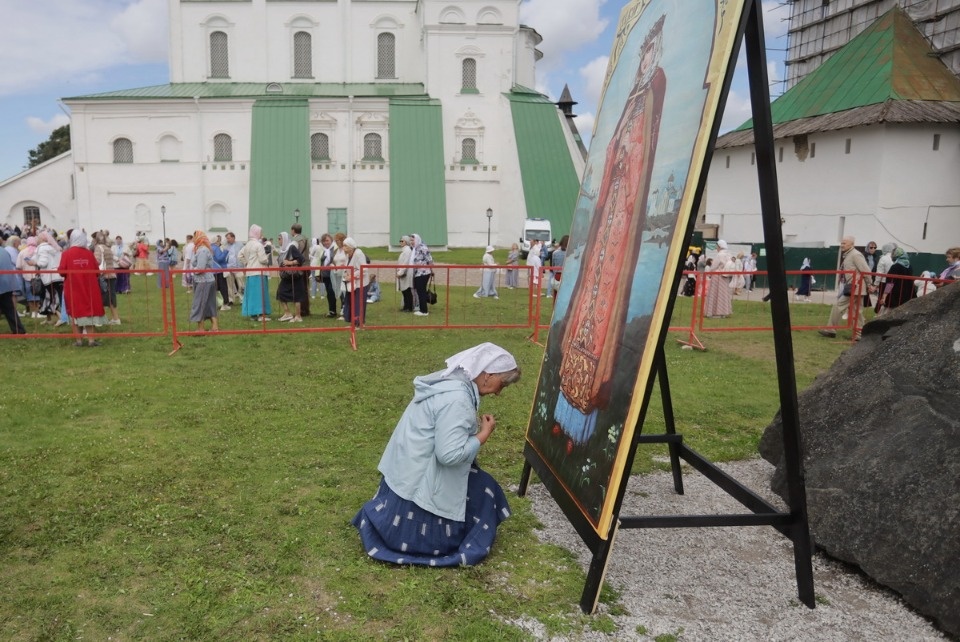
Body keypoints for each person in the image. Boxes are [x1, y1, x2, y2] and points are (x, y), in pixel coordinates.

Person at [352, 342, 521, 567]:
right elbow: (449, 456)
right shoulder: (457, 399)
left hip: (405, 471)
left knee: (481, 483)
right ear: (488, 375)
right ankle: (423, 537)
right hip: (418, 481)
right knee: (486, 491)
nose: (500, 392)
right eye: (503, 384)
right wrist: (483, 434)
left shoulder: (447, 382)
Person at [819, 235, 875, 340]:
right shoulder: (850, 254)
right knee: (856, 312)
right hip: (855, 288)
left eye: (844, 243)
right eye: (841, 243)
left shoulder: (855, 255)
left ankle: (831, 329)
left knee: (838, 306)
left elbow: (866, 270)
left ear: (852, 244)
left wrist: (869, 284)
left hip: (855, 287)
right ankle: (859, 334)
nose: (842, 245)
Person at [59, 230, 106, 346]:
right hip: (89, 287)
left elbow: (61, 271)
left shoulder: (66, 254)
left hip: (73, 287)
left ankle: (78, 340)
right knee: (89, 313)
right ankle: (91, 340)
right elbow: (97, 270)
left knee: (75, 313)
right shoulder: (89, 253)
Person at [28, 230, 64, 325]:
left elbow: (43, 263)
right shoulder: (52, 247)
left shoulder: (42, 248)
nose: (36, 239)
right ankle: (59, 317)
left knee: (51, 298)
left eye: (38, 238)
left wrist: (33, 263)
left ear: (42, 239)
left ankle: (61, 317)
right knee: (57, 297)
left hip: (48, 277)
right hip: (57, 275)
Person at [238, 224, 272, 322]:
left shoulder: (248, 244)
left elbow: (239, 255)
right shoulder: (258, 245)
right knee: (260, 294)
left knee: (252, 294)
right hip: (259, 272)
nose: (261, 234)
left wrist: (247, 262)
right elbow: (263, 260)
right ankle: (262, 314)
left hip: (250, 272)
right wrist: (267, 255)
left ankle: (253, 314)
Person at [188, 230, 219, 332]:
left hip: (203, 281)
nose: (193, 239)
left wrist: (193, 270)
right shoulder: (202, 249)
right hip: (207, 280)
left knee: (200, 303)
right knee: (209, 304)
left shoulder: (202, 251)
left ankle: (200, 328)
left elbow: (201, 268)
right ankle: (214, 327)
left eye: (194, 237)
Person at [276, 231, 306, 323]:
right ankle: (287, 313)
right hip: (286, 276)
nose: (278, 240)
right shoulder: (282, 250)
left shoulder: (291, 248)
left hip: (294, 275)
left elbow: (301, 259)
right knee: (280, 293)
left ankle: (298, 316)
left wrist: (290, 263)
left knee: (297, 296)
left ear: (284, 239)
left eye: (280, 238)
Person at [92, 231, 121, 325]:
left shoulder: (98, 248)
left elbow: (98, 261)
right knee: (111, 297)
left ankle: (99, 320)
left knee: (100, 298)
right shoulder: (107, 248)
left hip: (103, 276)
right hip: (111, 274)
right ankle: (116, 318)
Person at [341, 237, 370, 326]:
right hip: (352, 283)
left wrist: (352, 276)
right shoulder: (347, 255)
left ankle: (360, 323)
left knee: (359, 303)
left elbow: (364, 269)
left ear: (350, 246)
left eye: (345, 245)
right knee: (352, 302)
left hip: (361, 283)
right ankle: (353, 322)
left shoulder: (358, 253)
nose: (343, 247)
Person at [703, 240, 734, 318]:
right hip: (725, 276)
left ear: (720, 246)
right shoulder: (728, 255)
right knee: (723, 294)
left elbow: (714, 266)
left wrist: (709, 272)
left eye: (717, 246)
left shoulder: (719, 255)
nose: (716, 248)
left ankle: (713, 312)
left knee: (715, 294)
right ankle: (723, 312)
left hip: (717, 276)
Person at [878, 246, 915, 311]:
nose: (891, 256)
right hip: (907, 297)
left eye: (892, 254)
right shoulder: (909, 266)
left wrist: (884, 296)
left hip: (896, 297)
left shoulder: (895, 266)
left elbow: (890, 282)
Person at [0, 249, 26, 334]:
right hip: (7, 283)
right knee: (9, 309)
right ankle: (19, 330)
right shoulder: (3, 250)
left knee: (9, 308)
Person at [411, 233, 434, 317]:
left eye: (412, 240)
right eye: (410, 240)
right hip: (417, 273)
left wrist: (431, 269)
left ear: (417, 240)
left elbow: (429, 259)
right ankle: (422, 309)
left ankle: (424, 311)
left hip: (423, 273)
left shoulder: (422, 247)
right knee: (420, 291)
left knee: (421, 291)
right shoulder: (415, 249)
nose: (411, 242)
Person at [317, 233, 338, 318]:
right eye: (324, 241)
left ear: (331, 240)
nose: (326, 243)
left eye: (327, 240)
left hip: (334, 274)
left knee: (333, 291)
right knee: (329, 293)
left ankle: (339, 310)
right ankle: (331, 310)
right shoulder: (322, 250)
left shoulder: (335, 249)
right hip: (325, 274)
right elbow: (319, 262)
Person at [223, 232, 245, 304]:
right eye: (227, 238)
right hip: (229, 268)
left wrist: (243, 265)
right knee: (230, 285)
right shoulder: (226, 246)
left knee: (241, 284)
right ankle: (231, 299)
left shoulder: (240, 245)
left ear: (233, 237)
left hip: (238, 268)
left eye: (228, 238)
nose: (227, 240)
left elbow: (244, 255)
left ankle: (242, 299)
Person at [332, 232, 348, 318]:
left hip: (345, 273)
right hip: (337, 273)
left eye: (337, 240)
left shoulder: (346, 250)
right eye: (335, 241)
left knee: (344, 291)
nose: (336, 242)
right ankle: (343, 309)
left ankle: (345, 310)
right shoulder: (336, 250)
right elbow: (334, 260)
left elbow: (348, 260)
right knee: (340, 292)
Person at [396, 235, 414, 312]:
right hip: (404, 272)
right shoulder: (405, 250)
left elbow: (405, 262)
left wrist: (400, 272)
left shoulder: (407, 251)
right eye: (400, 241)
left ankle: (409, 307)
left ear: (406, 242)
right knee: (404, 291)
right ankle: (406, 306)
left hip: (406, 273)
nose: (401, 242)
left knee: (407, 290)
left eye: (402, 241)